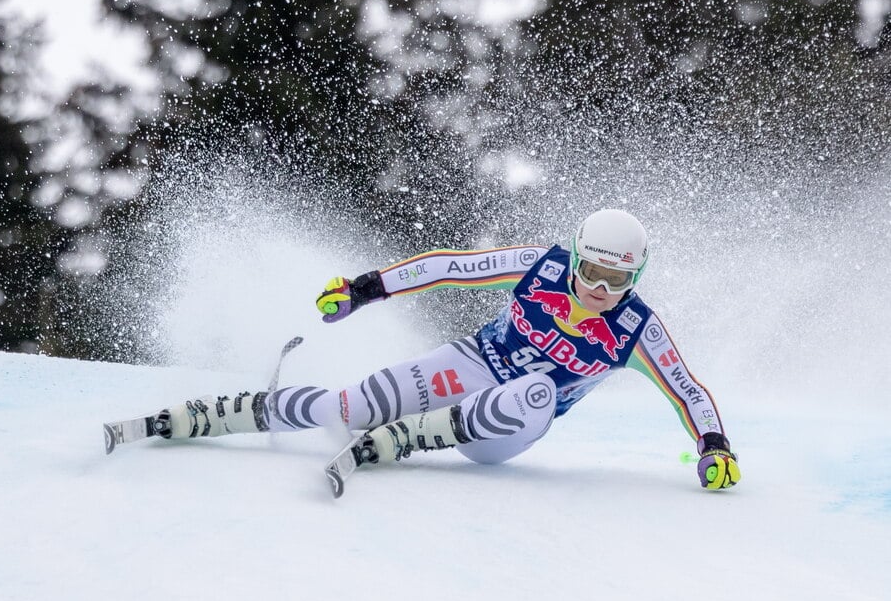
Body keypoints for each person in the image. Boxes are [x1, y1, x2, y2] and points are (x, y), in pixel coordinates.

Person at [152, 209, 740, 490]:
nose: (599, 291)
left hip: (507, 429)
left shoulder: (638, 328)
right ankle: (244, 412)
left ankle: (414, 435)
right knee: (355, 406)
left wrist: (714, 446)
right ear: (575, 254)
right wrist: (364, 289)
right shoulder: (539, 265)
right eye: (591, 272)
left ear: (636, 279)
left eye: (618, 281)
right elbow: (449, 268)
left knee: (536, 389)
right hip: (473, 363)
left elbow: (686, 388)